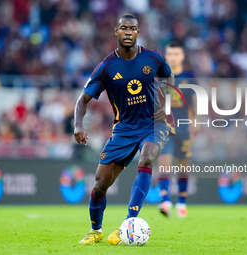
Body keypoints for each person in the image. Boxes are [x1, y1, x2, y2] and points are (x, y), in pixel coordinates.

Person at [74, 13, 175, 245]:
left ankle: (127, 224)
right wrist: (78, 124)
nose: (128, 32)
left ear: (138, 32)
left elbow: (169, 77)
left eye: (132, 28)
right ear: (116, 31)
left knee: (147, 158)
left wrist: (168, 111)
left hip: (152, 124)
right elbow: (83, 100)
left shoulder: (153, 59)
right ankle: (96, 230)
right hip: (123, 130)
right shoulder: (107, 67)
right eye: (123, 28)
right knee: (100, 185)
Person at [157, 41, 198, 218]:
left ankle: (182, 202)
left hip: (183, 128)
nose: (172, 57)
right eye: (170, 54)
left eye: (176, 54)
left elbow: (196, 107)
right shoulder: (160, 79)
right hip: (165, 127)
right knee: (164, 162)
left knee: (183, 166)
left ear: (181, 56)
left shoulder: (189, 79)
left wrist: (195, 124)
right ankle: (165, 200)